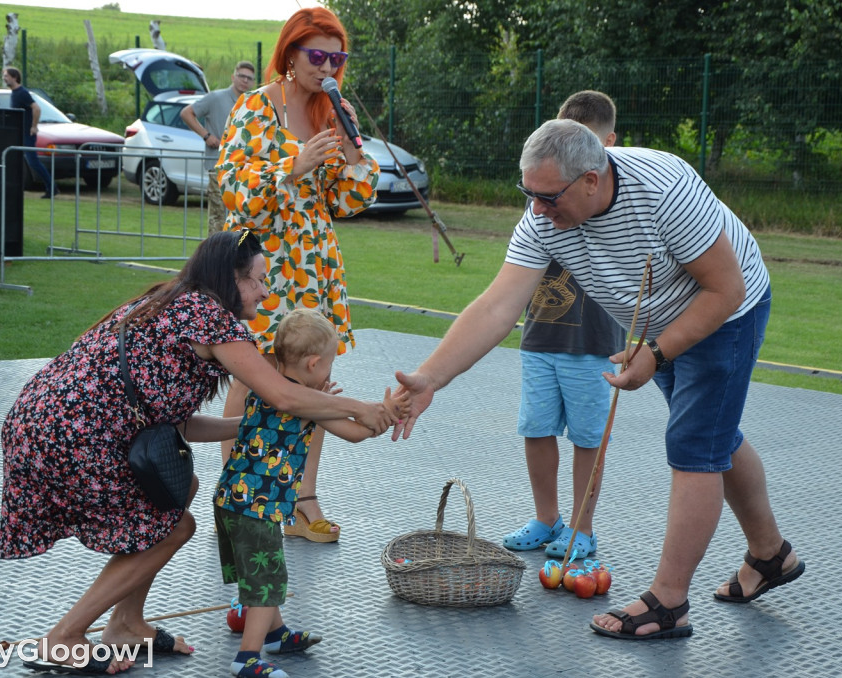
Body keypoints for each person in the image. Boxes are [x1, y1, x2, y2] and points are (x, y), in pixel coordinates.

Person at [393, 119, 804, 640]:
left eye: (548, 197)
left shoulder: (664, 190)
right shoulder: (544, 214)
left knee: (695, 443)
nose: (537, 209)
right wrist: (431, 377)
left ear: (592, 179)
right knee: (714, 434)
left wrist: (657, 351)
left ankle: (669, 603)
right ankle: (771, 555)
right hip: (658, 322)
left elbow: (725, 290)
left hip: (725, 310)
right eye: (529, 194)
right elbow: (499, 306)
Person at [0, 230, 400, 675]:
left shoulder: (172, 300)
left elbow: (178, 422)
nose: (266, 291)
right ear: (230, 280)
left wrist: (253, 427)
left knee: (182, 489)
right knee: (176, 525)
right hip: (71, 434)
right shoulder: (208, 315)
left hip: (47, 422)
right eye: (258, 280)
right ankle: (63, 638)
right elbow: (284, 395)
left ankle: (126, 623)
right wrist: (363, 408)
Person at [216, 7, 380, 544]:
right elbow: (235, 190)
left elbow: (350, 201)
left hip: (314, 264)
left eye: (338, 57)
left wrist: (354, 151)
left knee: (309, 377)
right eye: (318, 55)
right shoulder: (255, 108)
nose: (328, 66)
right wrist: (294, 165)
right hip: (263, 264)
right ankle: (242, 496)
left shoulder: (330, 111)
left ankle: (302, 496)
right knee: (255, 375)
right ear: (290, 53)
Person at [215, 309, 408, 678]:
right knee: (268, 584)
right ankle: (247, 658)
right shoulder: (306, 404)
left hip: (232, 499)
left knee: (264, 575)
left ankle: (276, 634)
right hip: (257, 507)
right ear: (315, 362)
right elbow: (355, 433)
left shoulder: (267, 385)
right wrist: (387, 414)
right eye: (331, 362)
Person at [503, 91, 626, 561]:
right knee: (536, 429)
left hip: (593, 344)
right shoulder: (539, 205)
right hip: (541, 337)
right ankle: (545, 518)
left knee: (588, 438)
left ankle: (581, 529)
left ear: (607, 144)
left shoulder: (617, 205)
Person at [179, 60, 257, 237]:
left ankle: (237, 258)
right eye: (241, 76)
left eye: (249, 78)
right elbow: (186, 113)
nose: (245, 80)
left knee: (242, 217)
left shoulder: (252, 103)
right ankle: (215, 258)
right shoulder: (216, 97)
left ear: (253, 82)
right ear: (233, 77)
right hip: (218, 168)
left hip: (245, 169)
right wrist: (206, 135)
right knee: (218, 216)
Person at [2, 66, 57, 198]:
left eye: (7, 76)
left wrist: (34, 126)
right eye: (4, 76)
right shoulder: (14, 93)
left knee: (33, 161)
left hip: (27, 133)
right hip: (19, 133)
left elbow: (36, 108)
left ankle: (52, 187)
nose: (4, 78)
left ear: (14, 77)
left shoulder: (22, 93)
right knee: (15, 159)